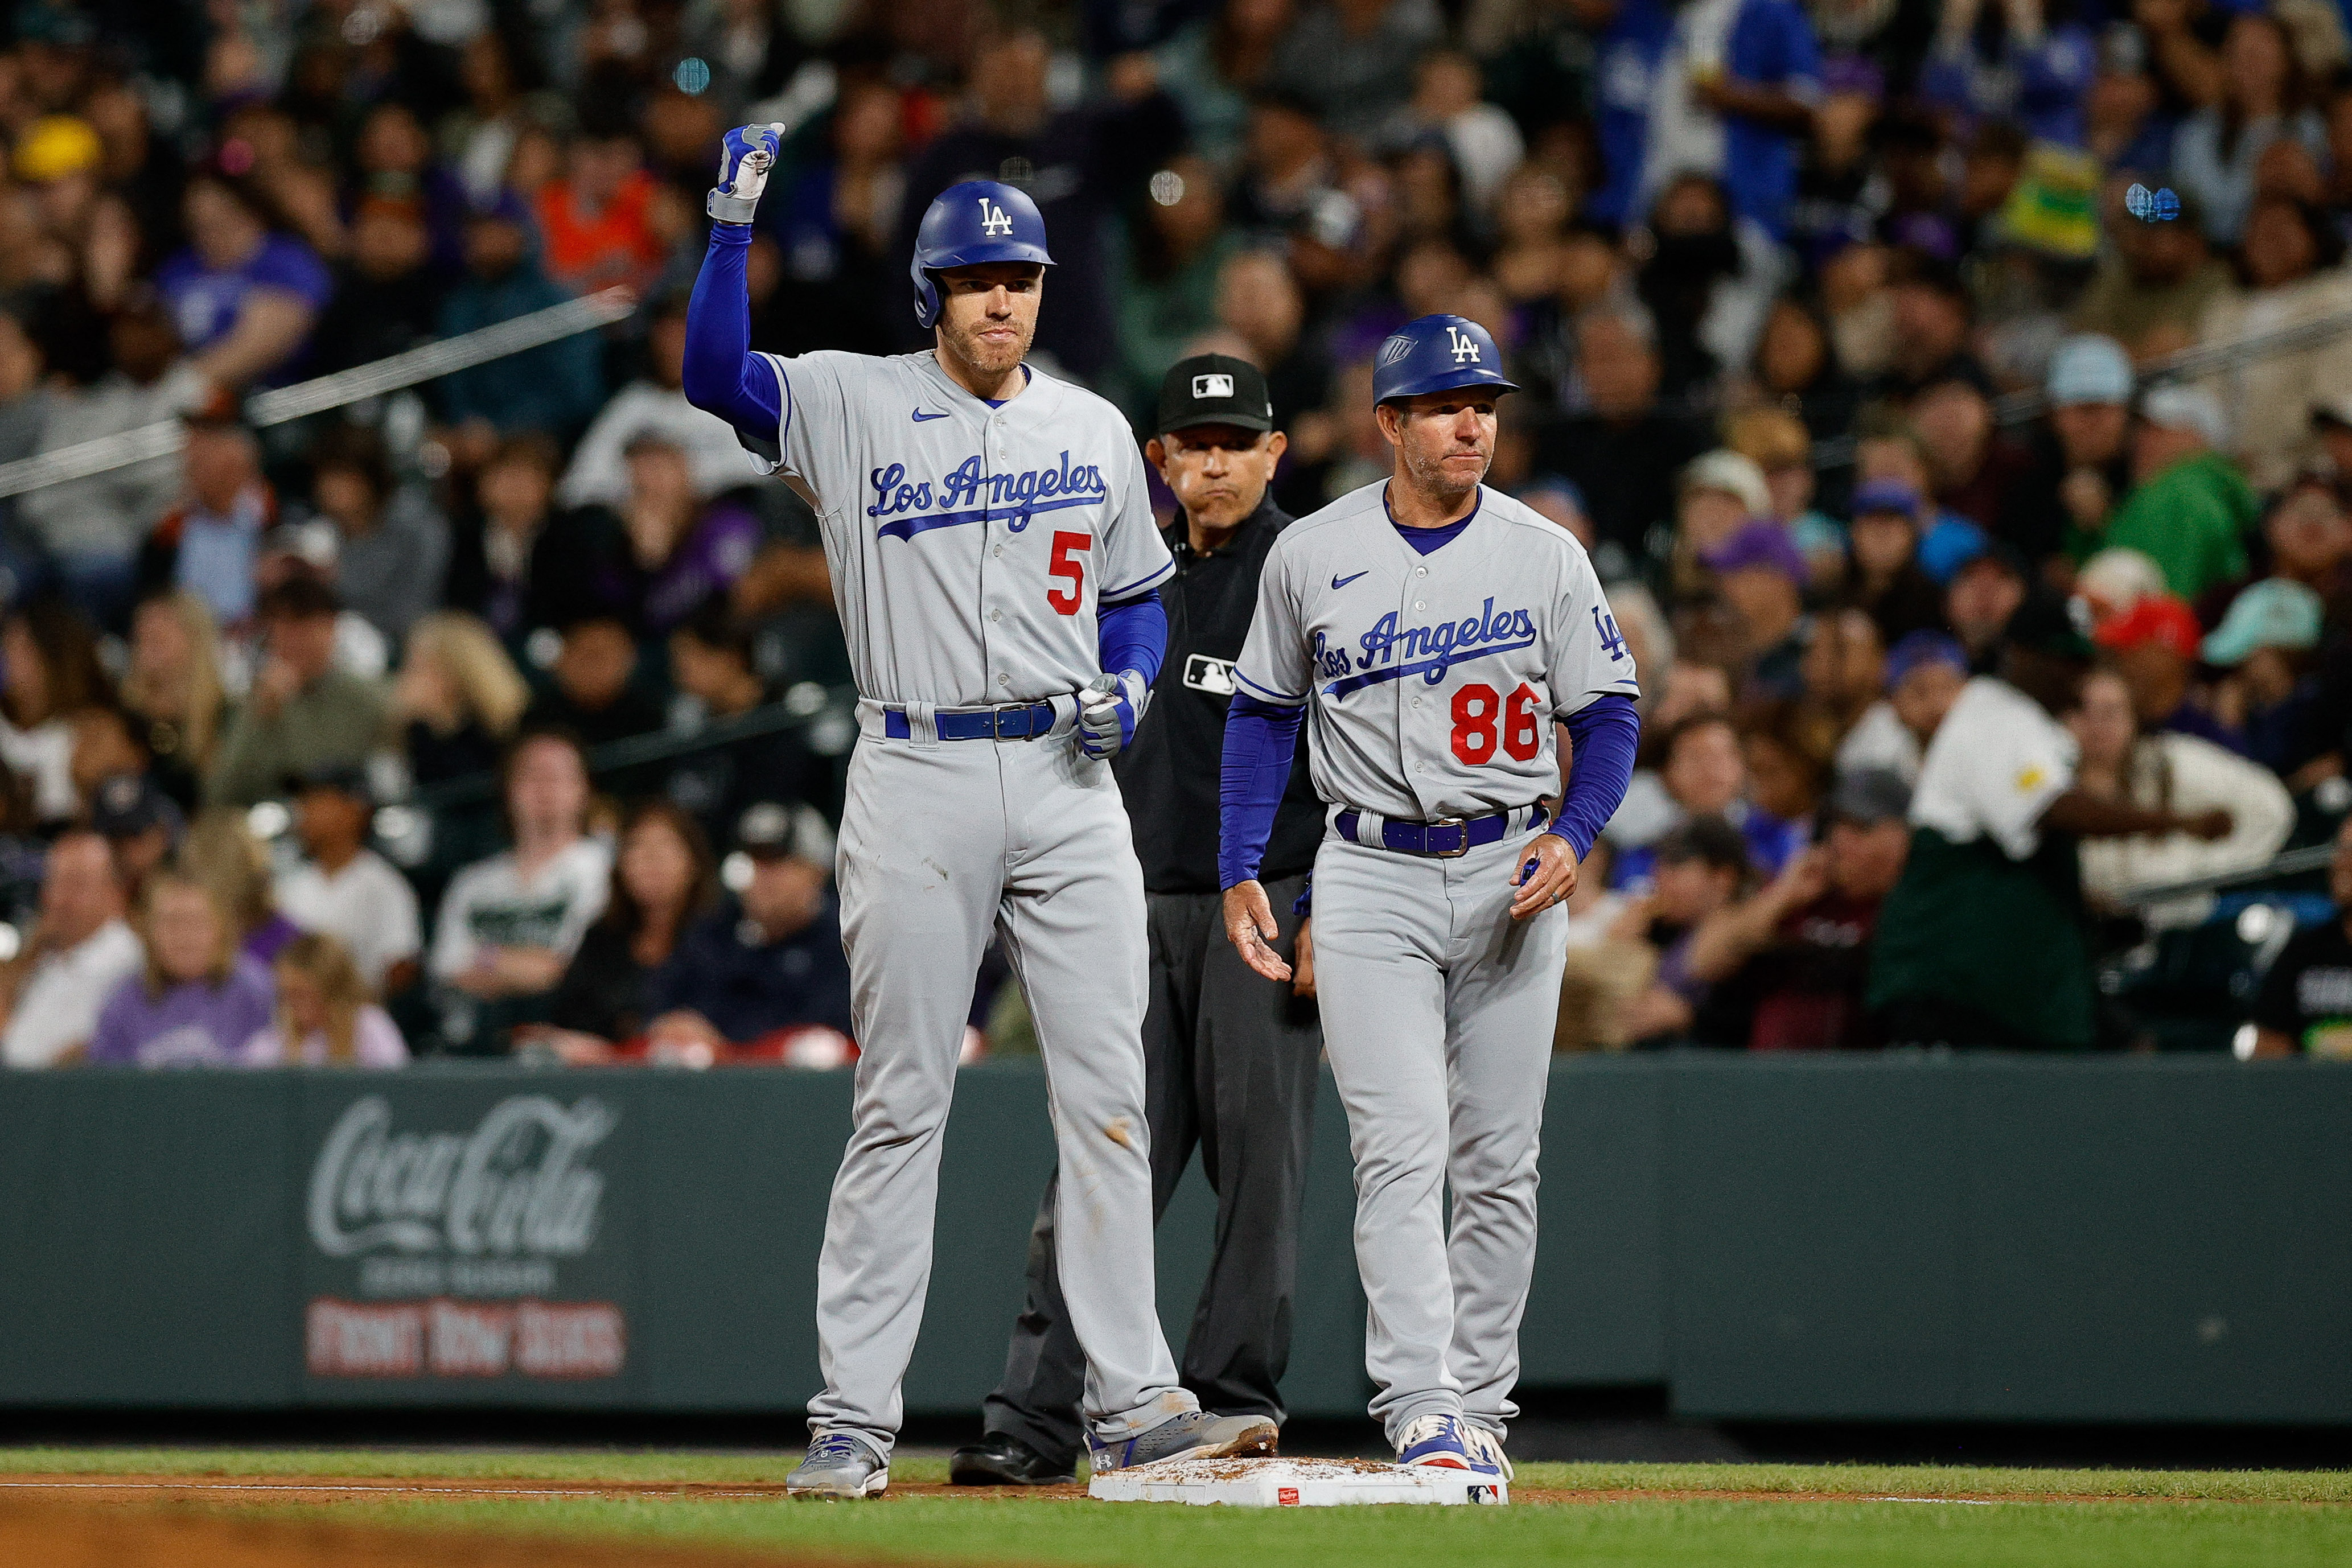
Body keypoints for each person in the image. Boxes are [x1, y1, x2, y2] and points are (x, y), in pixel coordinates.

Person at [683, 135, 1266, 1495]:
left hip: (1066, 784)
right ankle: (854, 1415)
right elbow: (715, 376)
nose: (1001, 301)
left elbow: (1136, 592)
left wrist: (1130, 681)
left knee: (1111, 1097)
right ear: (928, 296)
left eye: (1020, 278)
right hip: (917, 767)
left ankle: (1130, 1403)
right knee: (902, 1098)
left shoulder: (1090, 426)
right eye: (975, 280)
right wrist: (728, 227)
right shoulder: (851, 401)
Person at [1219, 314, 1641, 1476]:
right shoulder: (1311, 550)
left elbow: (1606, 713)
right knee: (1401, 1146)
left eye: (1486, 405)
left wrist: (1575, 828)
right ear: (1389, 423)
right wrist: (1239, 862)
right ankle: (1419, 1403)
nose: (1472, 423)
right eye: (1449, 405)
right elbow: (1260, 712)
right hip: (1365, 874)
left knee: (1500, 1155)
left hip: (1510, 861)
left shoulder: (1543, 551)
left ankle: (1483, 1408)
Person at [956, 356, 1326, 1487]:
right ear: (1154, 460)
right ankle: (1035, 1418)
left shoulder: (1309, 571)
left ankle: (1228, 1404)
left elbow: (1360, 755)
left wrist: (1325, 907)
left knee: (1261, 1171)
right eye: (1190, 442)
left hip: (1262, 902)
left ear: (1274, 452)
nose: (1212, 461)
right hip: (1114, 905)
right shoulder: (1113, 573)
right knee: (1097, 1167)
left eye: (1235, 441)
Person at [1868, 594, 2233, 1050]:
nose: (2075, 676)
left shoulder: (2028, 724)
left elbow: (2021, 851)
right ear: (2021, 655)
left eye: (2082, 661)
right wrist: (2177, 822)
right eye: (2061, 659)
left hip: (2000, 985)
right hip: (1955, 984)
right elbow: (2053, 810)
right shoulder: (1995, 715)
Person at [1681, 768, 1913, 1050]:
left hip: (1864, 1079)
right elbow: (1702, 962)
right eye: (1835, 826)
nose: (1840, 841)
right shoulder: (1801, 894)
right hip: (1771, 1077)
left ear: (1903, 838)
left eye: (1859, 828)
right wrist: (1784, 895)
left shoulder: (1911, 908)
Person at [426, 729, 611, 1055]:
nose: (544, 789)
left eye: (557, 776)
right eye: (532, 776)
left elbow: (566, 969)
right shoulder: (472, 884)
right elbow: (448, 968)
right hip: (475, 1041)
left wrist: (485, 957)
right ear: (509, 789)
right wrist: (526, 967)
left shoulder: (603, 870)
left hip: (565, 1035)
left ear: (584, 789)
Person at [2070, 666, 2294, 931]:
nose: (2098, 726)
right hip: (2088, 930)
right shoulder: (2051, 782)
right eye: (2085, 711)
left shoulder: (2169, 760)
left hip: (2180, 931)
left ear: (2133, 716)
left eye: (2111, 712)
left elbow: (2270, 808)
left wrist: (2204, 868)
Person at [642, 801, 855, 1050]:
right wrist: (674, 1027)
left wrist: (727, 1045)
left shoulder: (841, 943)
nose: (762, 876)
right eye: (755, 859)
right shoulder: (715, 933)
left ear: (816, 871)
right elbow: (659, 1010)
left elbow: (827, 1036)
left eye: (777, 861)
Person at [538, 800, 716, 1053]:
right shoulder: (601, 939)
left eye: (665, 845)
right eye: (637, 846)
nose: (651, 858)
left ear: (694, 862)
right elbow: (569, 1018)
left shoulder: (723, 937)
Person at [205, 574, 389, 807]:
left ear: (331, 628)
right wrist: (260, 717)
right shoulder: (251, 700)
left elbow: (386, 780)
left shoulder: (365, 699)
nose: (294, 640)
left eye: (304, 626)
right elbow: (222, 796)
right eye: (284, 627)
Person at [87, 871, 274, 1066]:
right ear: (148, 930)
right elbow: (106, 1088)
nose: (185, 935)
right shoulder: (121, 1003)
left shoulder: (257, 991)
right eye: (173, 921)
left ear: (221, 928)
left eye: (197, 921)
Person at [272, 763, 421, 994]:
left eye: (317, 801)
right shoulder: (290, 885)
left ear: (355, 810)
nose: (304, 811)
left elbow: (401, 967)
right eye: (304, 802)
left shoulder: (384, 885)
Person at [0, 830, 142, 1068]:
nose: (60, 899)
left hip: (67, 1091)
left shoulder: (125, 955)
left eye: (77, 885)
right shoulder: (48, 953)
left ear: (115, 893)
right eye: (54, 884)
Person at [0, 597, 111, 822]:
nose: (7, 656)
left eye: (21, 647)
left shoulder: (95, 732)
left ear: (52, 656)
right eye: (7, 644)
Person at [2249, 816, 2352, 1057]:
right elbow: (2268, 1055)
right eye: (2339, 850)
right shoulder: (2304, 953)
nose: (2340, 863)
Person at [121, 589, 229, 812]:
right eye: (144, 629)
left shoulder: (223, 712)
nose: (151, 632)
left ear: (195, 638)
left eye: (164, 626)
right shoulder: (122, 714)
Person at [240, 931, 408, 1067]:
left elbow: (396, 1087)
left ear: (333, 992)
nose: (292, 1005)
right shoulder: (273, 1043)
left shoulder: (369, 1026)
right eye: (286, 995)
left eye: (302, 994)